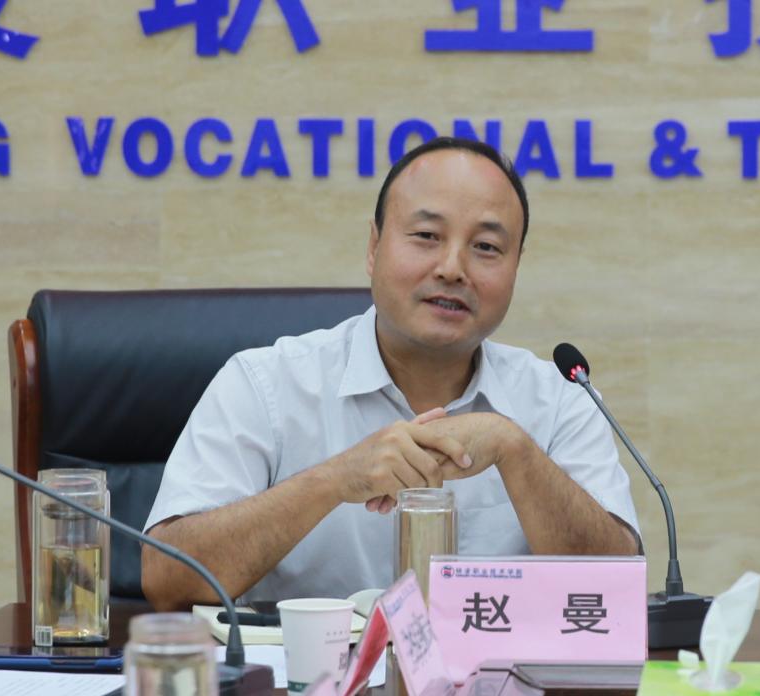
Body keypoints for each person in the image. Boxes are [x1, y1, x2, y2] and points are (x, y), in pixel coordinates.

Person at [142, 137, 641, 610]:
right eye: (426, 236)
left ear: (516, 266)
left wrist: (515, 451)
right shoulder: (266, 384)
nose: (452, 268)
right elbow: (167, 579)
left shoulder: (561, 398)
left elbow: (618, 593)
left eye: (487, 247)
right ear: (373, 246)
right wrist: (334, 480)